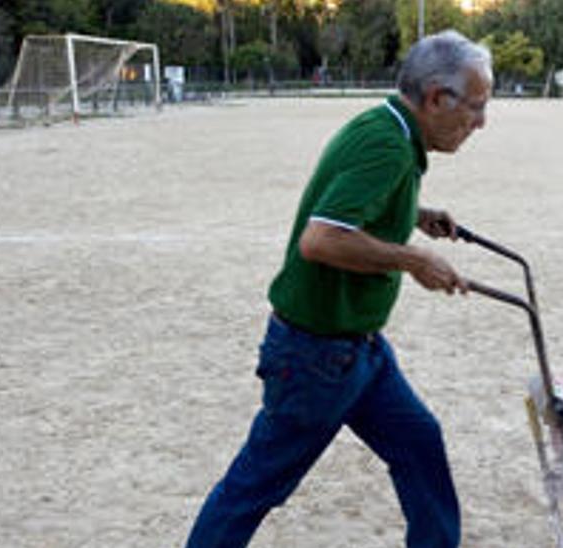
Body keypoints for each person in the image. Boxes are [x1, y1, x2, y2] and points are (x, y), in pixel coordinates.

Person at [185, 30, 492, 548]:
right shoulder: (385, 144)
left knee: (419, 446)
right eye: (478, 107)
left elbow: (348, 206)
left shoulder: (391, 131)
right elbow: (321, 239)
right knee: (254, 486)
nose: (481, 123)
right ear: (438, 98)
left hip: (360, 353)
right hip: (315, 357)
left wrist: (412, 215)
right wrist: (413, 259)